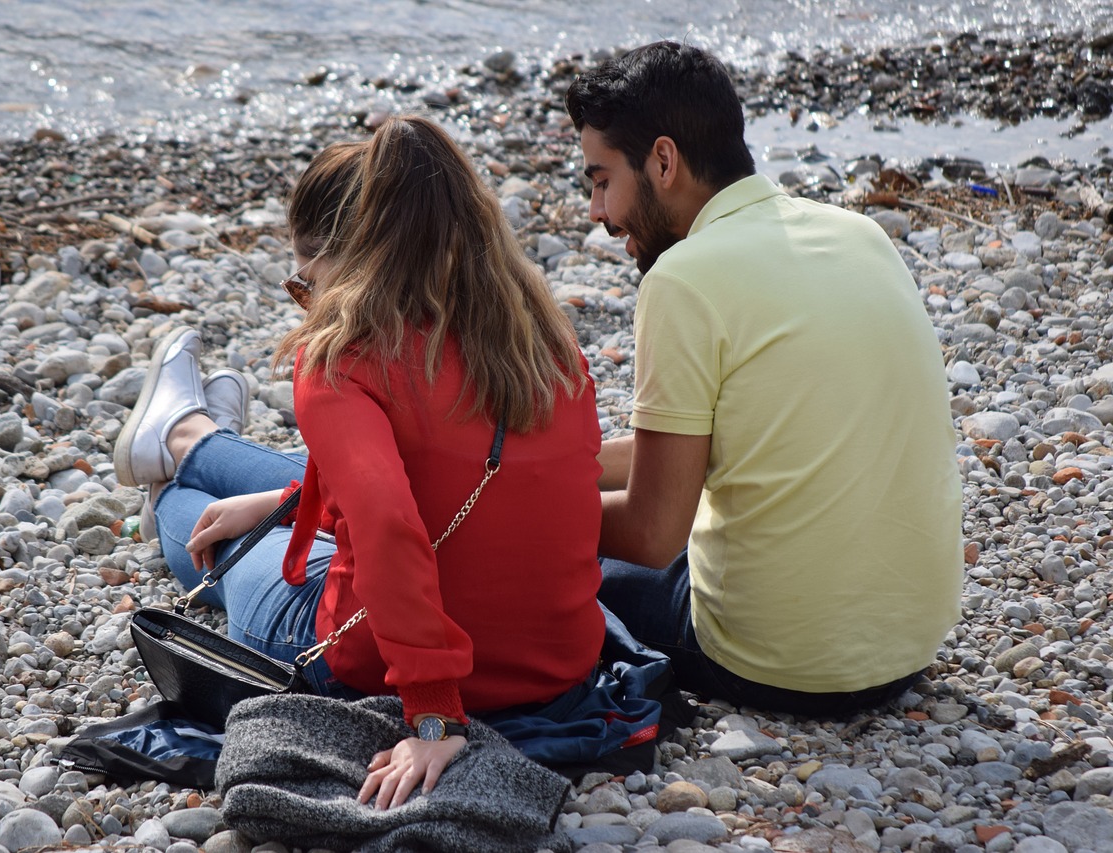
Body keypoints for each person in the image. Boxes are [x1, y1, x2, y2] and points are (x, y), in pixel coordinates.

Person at [114, 117, 607, 807]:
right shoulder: (550, 346)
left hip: (380, 660)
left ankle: (173, 449)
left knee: (186, 513)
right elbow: (499, 493)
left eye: (303, 286)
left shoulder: (349, 356)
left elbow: (387, 524)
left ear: (348, 261)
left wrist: (433, 713)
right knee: (294, 480)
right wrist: (294, 502)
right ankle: (197, 434)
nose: (309, 306)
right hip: (558, 668)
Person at [565, 42, 963, 717]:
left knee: (568, 563)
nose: (599, 214)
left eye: (602, 181)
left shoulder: (683, 279)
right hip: (910, 640)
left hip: (779, 660)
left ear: (663, 161)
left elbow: (654, 530)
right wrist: (561, 466)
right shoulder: (859, 233)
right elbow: (742, 434)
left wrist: (514, 510)